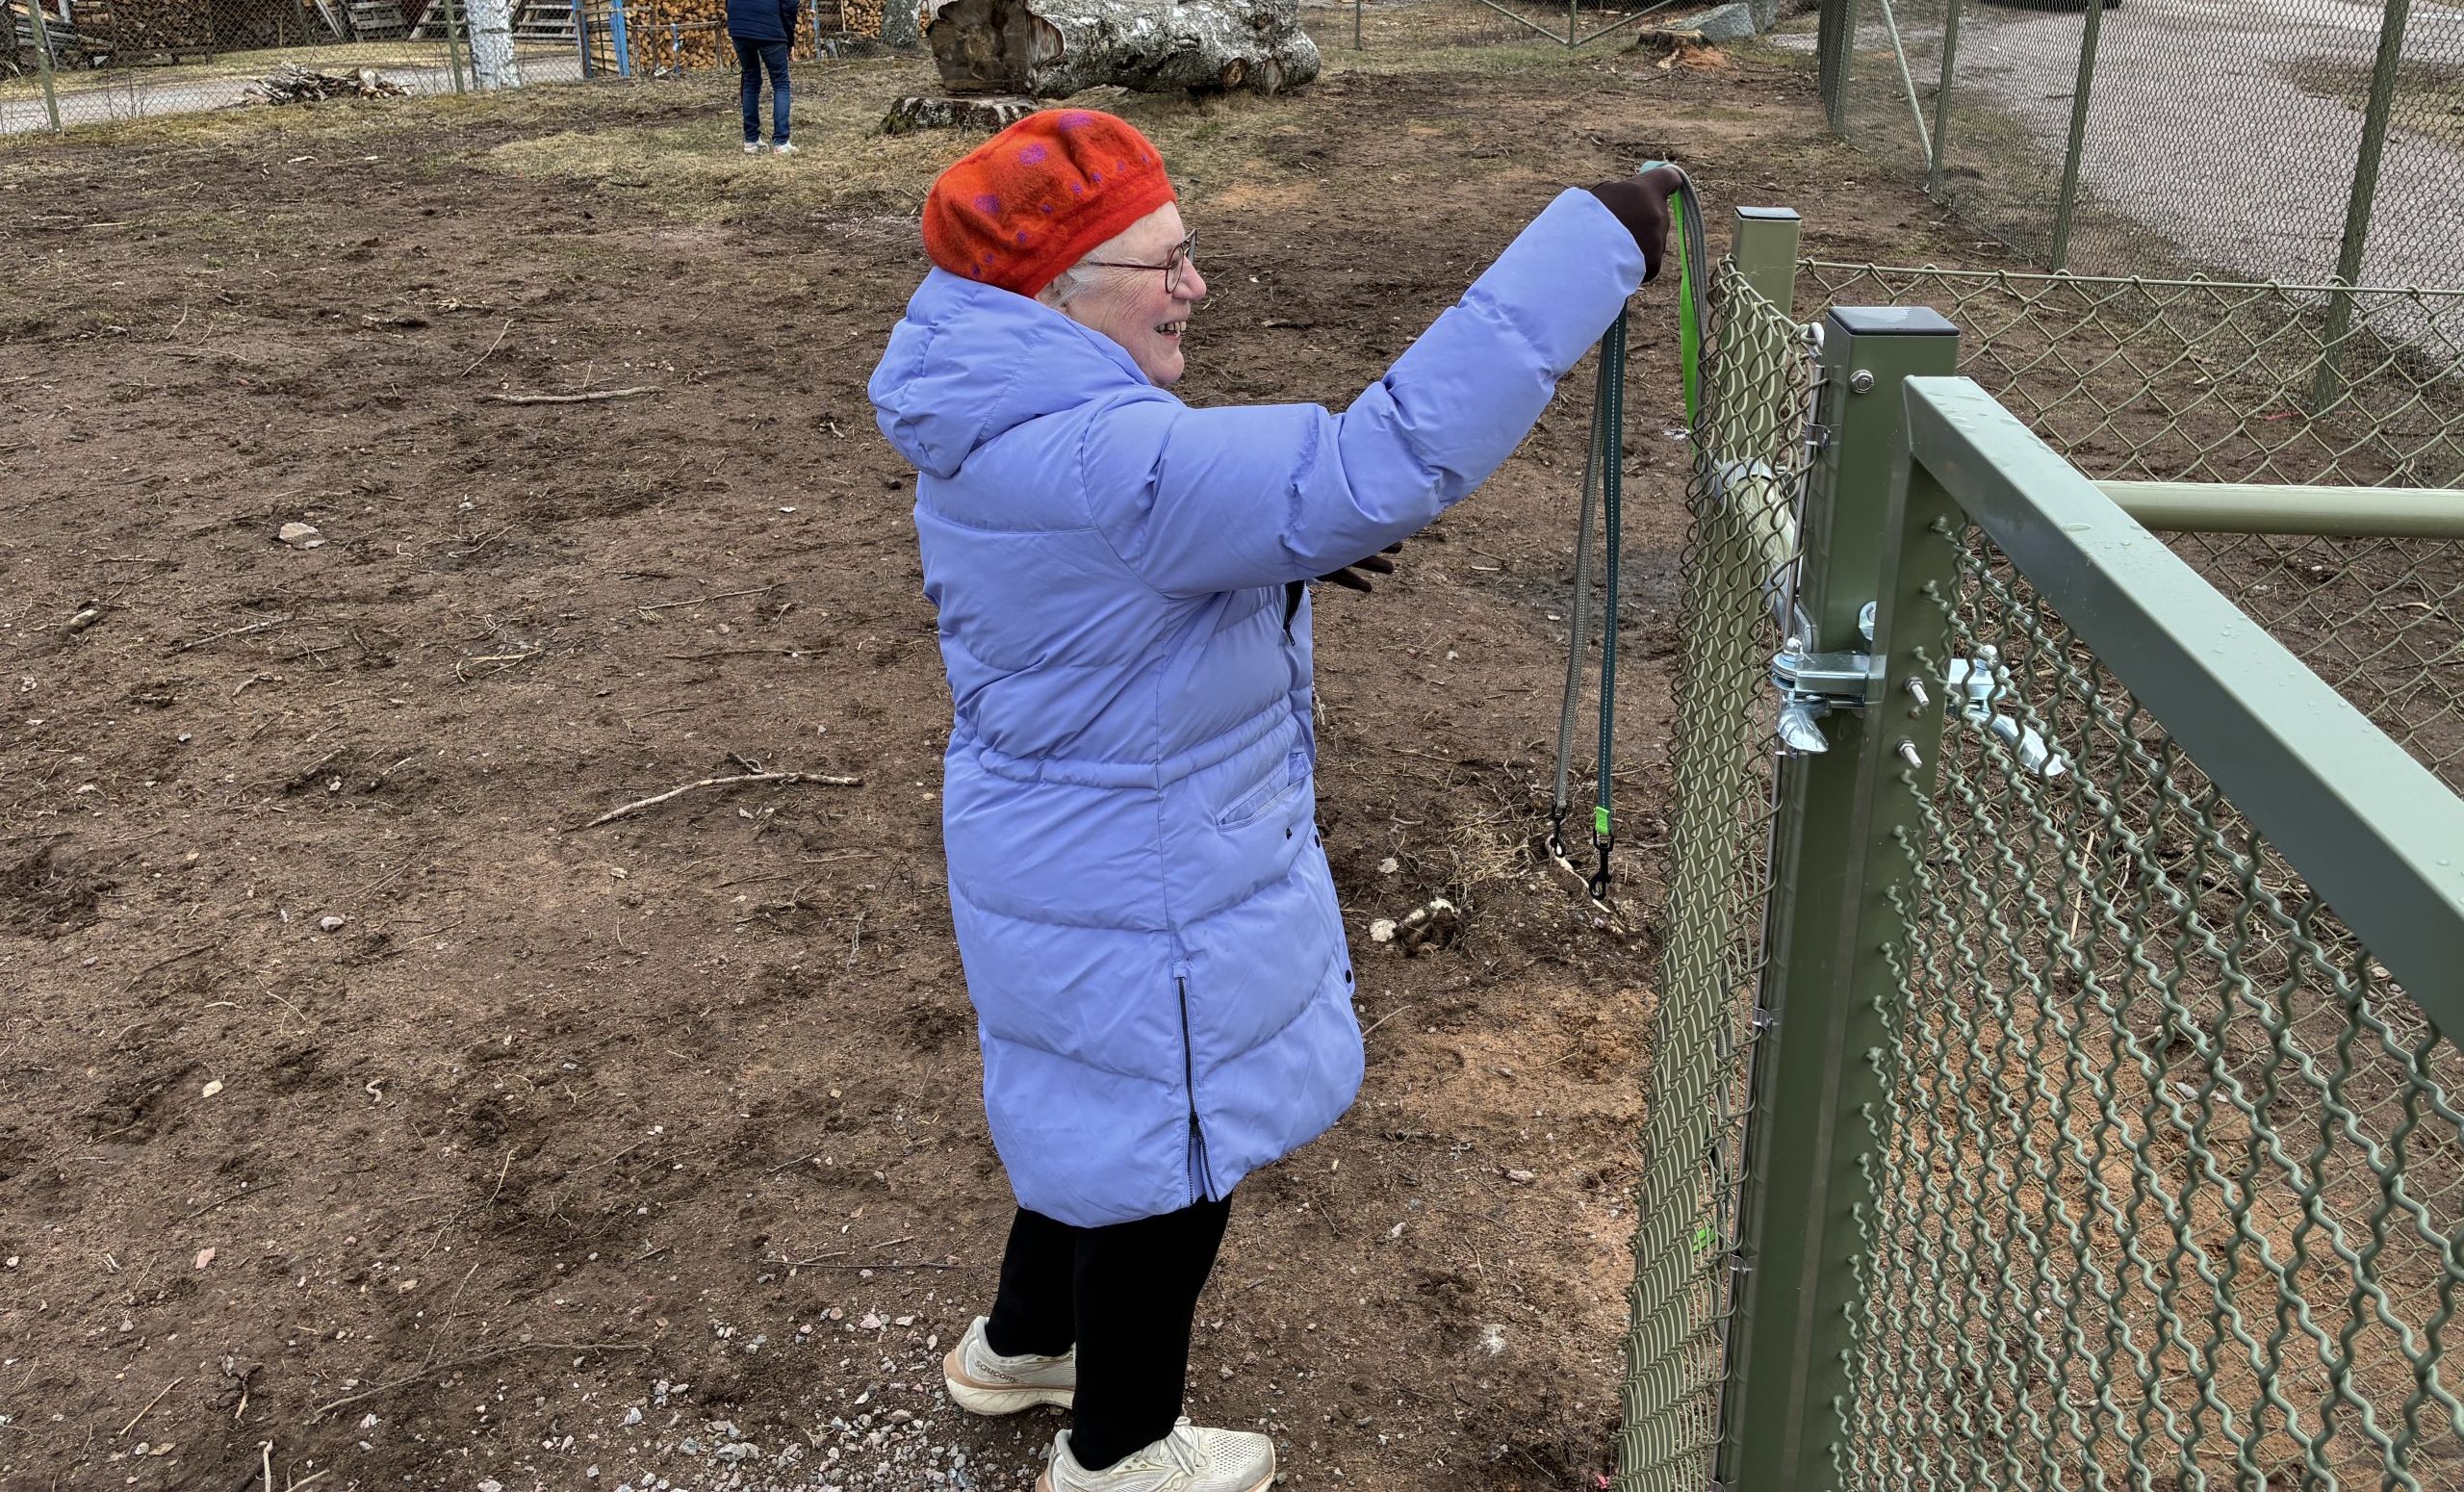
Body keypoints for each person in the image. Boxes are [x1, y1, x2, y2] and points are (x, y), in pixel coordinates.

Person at [867, 109, 1680, 1492]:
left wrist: (1265, 558)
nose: (1197, 286)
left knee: (1095, 1102)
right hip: (1146, 868)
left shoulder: (1009, 406)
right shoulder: (1109, 462)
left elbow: (1141, 555)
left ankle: (1021, 1343)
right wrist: (1593, 242)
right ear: (1057, 290)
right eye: (1164, 263)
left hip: (1068, 839)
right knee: (1171, 1151)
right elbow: (1380, 467)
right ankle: (1120, 1451)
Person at [725, 0, 798, 155]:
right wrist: (790, 40)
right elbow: (790, 6)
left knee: (750, 79)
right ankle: (781, 142)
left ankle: (751, 141)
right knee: (781, 83)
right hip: (769, 26)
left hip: (738, 26)